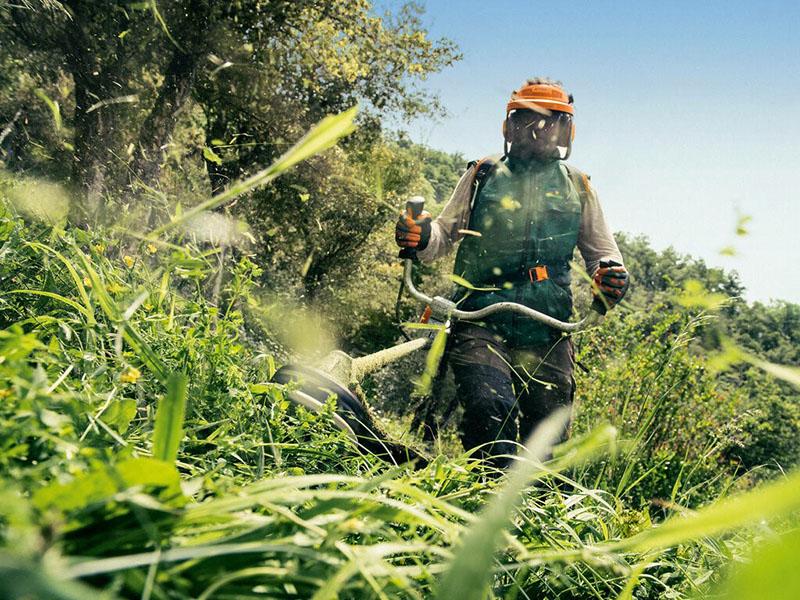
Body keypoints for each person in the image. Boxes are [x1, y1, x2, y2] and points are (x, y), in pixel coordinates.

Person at [395, 78, 629, 467]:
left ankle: (531, 515)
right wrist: (419, 236)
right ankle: (483, 502)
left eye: (548, 121)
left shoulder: (579, 187)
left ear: (564, 129)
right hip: (479, 315)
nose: (536, 130)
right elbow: (440, 236)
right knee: (490, 410)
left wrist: (611, 279)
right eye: (525, 119)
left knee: (546, 437)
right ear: (509, 125)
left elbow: (605, 256)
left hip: (547, 326)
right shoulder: (483, 174)